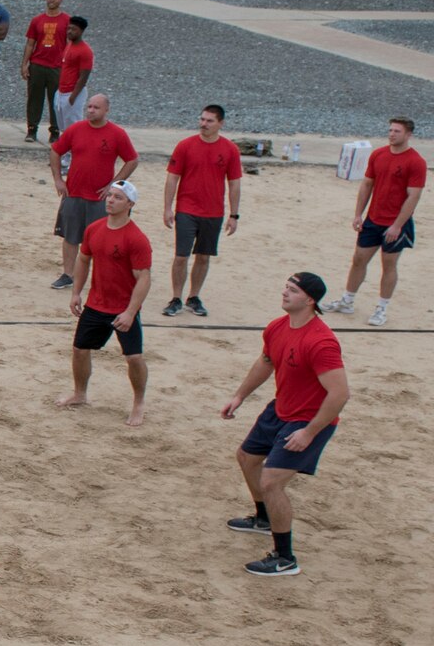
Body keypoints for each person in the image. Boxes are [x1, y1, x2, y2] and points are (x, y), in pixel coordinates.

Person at [220, 273, 350, 577]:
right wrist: (239, 395)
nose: (285, 293)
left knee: (272, 482)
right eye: (286, 288)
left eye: (293, 290)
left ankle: (285, 557)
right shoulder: (277, 327)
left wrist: (309, 432)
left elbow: (340, 393)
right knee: (247, 458)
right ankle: (264, 519)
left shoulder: (321, 342)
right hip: (280, 409)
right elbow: (266, 362)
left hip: (310, 418)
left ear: (310, 300)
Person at [59, 182, 153, 427]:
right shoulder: (94, 229)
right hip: (96, 304)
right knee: (80, 349)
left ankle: (139, 403)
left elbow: (144, 278)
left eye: (118, 197)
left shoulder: (136, 238)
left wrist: (131, 312)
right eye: (109, 195)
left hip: (123, 308)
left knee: (133, 357)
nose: (110, 200)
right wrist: (76, 292)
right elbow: (83, 259)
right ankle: (80, 393)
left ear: (129, 204)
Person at [322, 116, 421, 327]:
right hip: (373, 219)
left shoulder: (415, 162)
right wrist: (358, 214)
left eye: (397, 131)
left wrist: (396, 225)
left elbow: (413, 196)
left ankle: (381, 308)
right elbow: (367, 184)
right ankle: (347, 300)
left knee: (389, 264)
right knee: (358, 259)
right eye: (391, 130)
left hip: (396, 223)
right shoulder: (378, 154)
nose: (392, 134)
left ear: (408, 134)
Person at [161, 105, 244, 318]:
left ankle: (194, 296)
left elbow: (234, 183)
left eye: (209, 121)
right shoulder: (185, 146)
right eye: (202, 119)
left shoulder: (230, 150)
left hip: (213, 212)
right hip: (187, 209)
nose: (203, 124)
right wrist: (168, 207)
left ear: (220, 124)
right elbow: (172, 177)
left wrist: (234, 215)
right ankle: (176, 297)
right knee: (181, 256)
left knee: (204, 257)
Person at [47, 94, 138, 289]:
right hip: (74, 193)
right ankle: (68, 274)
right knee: (70, 236)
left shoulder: (117, 134)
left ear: (106, 110)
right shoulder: (76, 129)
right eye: (89, 107)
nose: (90, 110)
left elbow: (132, 160)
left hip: (100, 198)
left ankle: (101, 276)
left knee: (102, 239)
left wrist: (114, 185)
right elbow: (55, 150)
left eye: (96, 107)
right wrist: (58, 179)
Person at [21, 0, 71, 142]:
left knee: (56, 100)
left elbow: (70, 44)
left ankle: (55, 130)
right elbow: (30, 43)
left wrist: (68, 66)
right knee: (34, 98)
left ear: (60, 0)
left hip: (56, 66)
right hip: (38, 64)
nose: (51, 0)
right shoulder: (37, 20)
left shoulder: (67, 20)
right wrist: (25, 64)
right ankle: (32, 129)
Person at [52, 16, 94, 136]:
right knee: (63, 127)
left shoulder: (85, 51)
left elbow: (84, 76)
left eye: (74, 29)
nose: (69, 32)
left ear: (81, 31)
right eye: (68, 28)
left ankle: (73, 153)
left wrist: (72, 97)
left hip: (72, 93)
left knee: (74, 127)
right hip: (61, 92)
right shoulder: (69, 45)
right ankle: (65, 153)